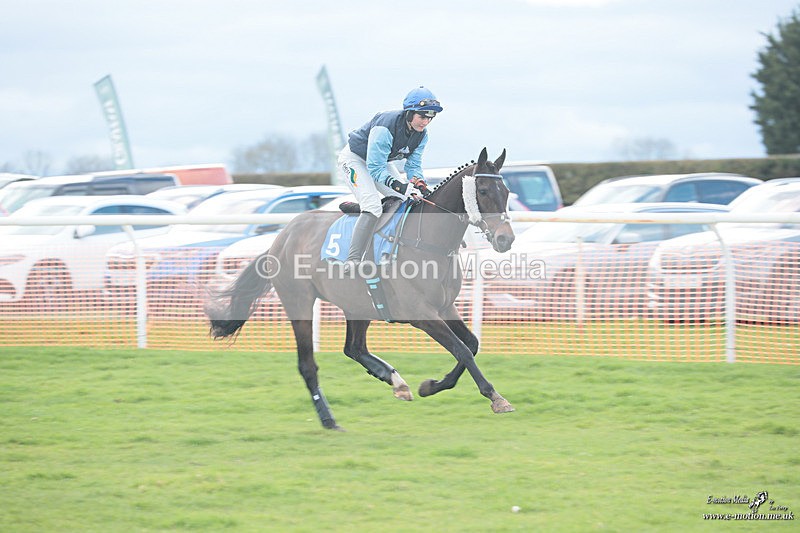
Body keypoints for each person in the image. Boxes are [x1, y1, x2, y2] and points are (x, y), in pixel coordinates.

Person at [337, 86, 443, 272]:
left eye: (430, 118)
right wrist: (399, 185)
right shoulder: (385, 126)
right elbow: (374, 168)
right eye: (422, 116)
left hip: (381, 161)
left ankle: (389, 249)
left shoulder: (422, 135)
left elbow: (413, 166)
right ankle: (353, 259)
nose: (426, 122)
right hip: (355, 160)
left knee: (407, 200)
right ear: (409, 113)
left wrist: (420, 184)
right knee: (372, 206)